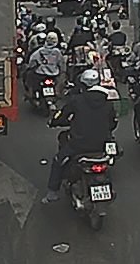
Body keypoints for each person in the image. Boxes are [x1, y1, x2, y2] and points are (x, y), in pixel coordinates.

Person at [44, 69, 118, 204]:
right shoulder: (108, 102)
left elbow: (62, 116)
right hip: (102, 145)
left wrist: (53, 122)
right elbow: (113, 123)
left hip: (79, 145)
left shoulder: (76, 100)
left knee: (58, 161)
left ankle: (52, 193)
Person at [25, 33, 66, 97]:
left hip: (40, 74)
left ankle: (32, 94)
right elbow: (62, 63)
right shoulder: (57, 52)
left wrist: (30, 66)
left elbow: (32, 61)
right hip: (54, 75)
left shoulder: (40, 51)